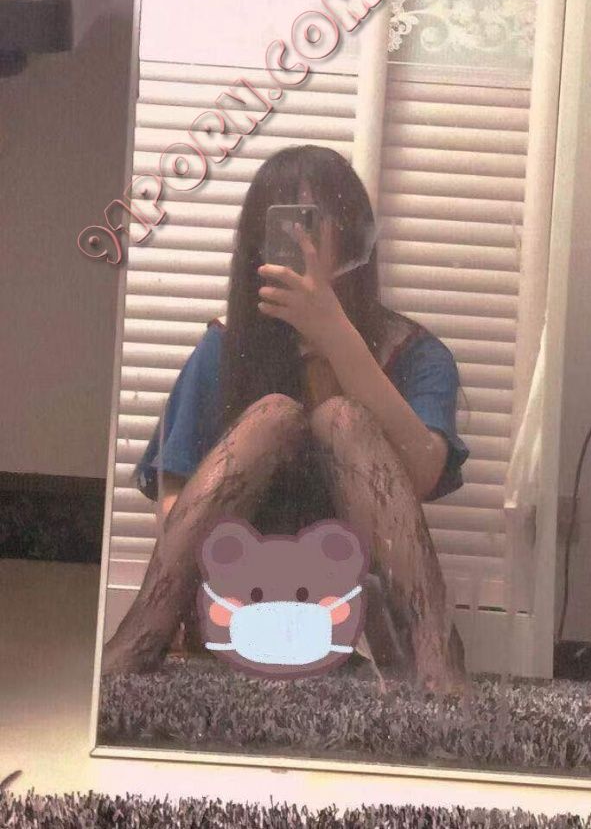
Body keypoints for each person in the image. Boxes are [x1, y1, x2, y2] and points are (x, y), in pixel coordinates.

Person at [106, 145, 469, 691]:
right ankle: (139, 638)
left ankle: (436, 654)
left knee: (341, 419)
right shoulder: (227, 346)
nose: (301, 244)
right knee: (275, 415)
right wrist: (243, 566)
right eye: (285, 226)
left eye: (313, 223)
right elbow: (174, 501)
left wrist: (336, 336)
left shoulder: (416, 353)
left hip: (352, 610)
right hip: (239, 598)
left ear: (354, 237)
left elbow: (424, 472)